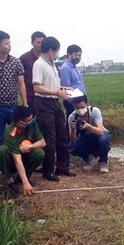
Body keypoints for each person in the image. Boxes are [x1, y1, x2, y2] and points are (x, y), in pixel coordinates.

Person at [33, 36, 76, 181]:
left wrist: (63, 89)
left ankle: (63, 167)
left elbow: (53, 85)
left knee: (62, 135)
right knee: (49, 138)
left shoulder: (52, 64)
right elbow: (37, 86)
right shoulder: (39, 64)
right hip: (44, 104)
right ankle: (48, 170)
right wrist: (56, 92)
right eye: (57, 50)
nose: (57, 53)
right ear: (51, 50)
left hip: (55, 102)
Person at [0, 29, 27, 145]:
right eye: (6, 43)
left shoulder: (16, 62)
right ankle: (3, 161)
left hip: (13, 105)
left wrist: (25, 103)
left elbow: (21, 83)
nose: (9, 46)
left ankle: (18, 160)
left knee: (18, 134)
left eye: (9, 42)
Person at [0, 106, 45, 197]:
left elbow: (43, 142)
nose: (32, 120)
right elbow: (17, 160)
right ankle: (9, 180)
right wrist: (25, 183)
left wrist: (30, 146)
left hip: (26, 155)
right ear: (21, 123)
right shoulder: (10, 133)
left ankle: (22, 177)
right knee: (2, 150)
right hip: (12, 160)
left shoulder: (33, 125)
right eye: (29, 120)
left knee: (40, 153)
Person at [68, 95, 111, 173]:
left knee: (103, 139)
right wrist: (73, 130)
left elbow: (100, 131)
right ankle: (90, 160)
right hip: (86, 137)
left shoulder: (95, 111)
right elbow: (72, 140)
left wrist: (89, 126)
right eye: (77, 108)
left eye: (82, 107)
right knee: (73, 145)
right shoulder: (72, 117)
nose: (80, 110)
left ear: (87, 104)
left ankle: (103, 162)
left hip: (99, 135)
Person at [20, 31, 46, 112]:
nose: (41, 45)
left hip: (45, 96)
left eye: (43, 42)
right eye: (38, 42)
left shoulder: (47, 58)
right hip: (31, 97)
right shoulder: (24, 58)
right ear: (32, 43)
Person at [59, 44, 86, 118]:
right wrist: (74, 104)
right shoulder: (65, 68)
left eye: (79, 55)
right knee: (72, 123)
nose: (78, 57)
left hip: (81, 101)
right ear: (69, 54)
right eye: (76, 55)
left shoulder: (75, 67)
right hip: (72, 103)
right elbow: (66, 88)